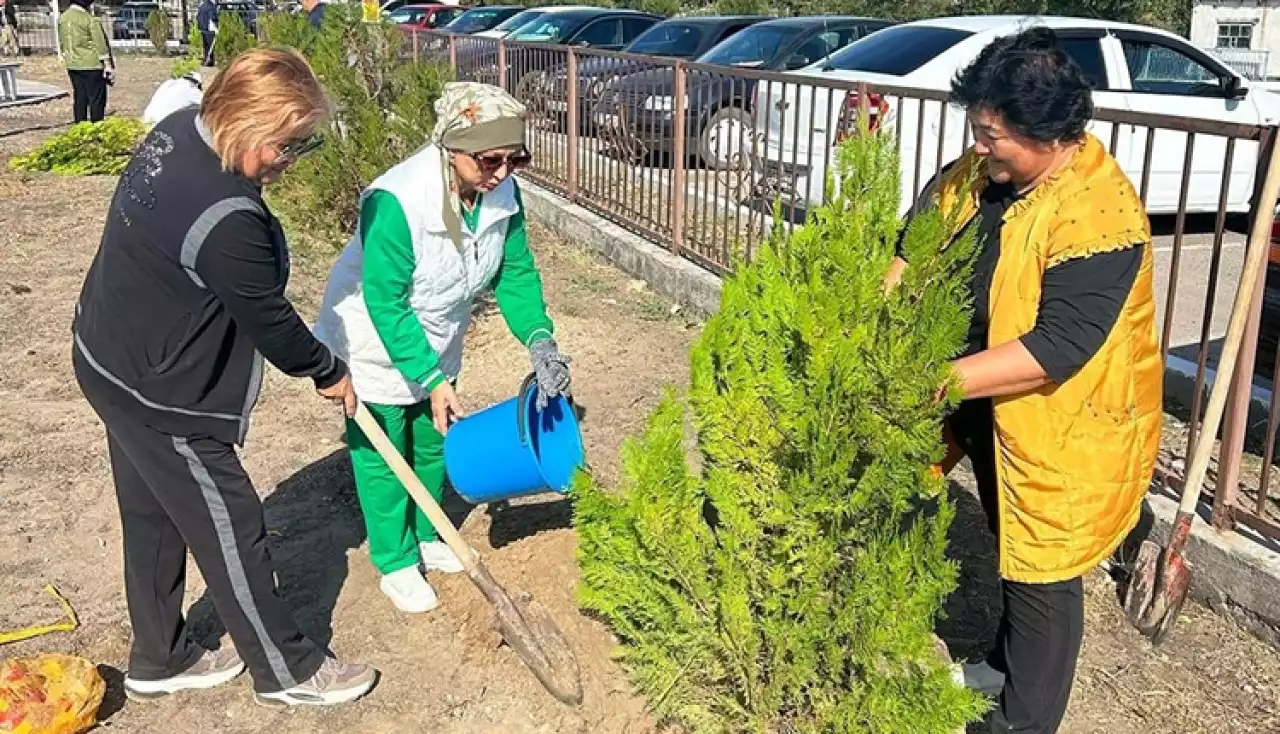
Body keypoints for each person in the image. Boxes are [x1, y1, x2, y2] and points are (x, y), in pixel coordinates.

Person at [73, 48, 377, 707]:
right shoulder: (228, 218)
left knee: (153, 512)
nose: (290, 160)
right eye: (285, 145)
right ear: (243, 121)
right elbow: (268, 319)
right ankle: (288, 671)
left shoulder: (178, 127)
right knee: (229, 519)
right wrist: (328, 370)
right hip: (162, 390)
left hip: (107, 356)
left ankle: (159, 659)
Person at [885, 27, 1161, 734]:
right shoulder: (977, 179)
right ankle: (996, 670)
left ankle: (1023, 717)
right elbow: (912, 248)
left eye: (992, 132)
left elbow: (1058, 345)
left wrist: (935, 380)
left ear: (1048, 134)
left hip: (1058, 417)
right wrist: (882, 312)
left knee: (1041, 567)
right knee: (1005, 535)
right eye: (975, 128)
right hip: (980, 401)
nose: (979, 145)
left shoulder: (1100, 209)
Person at [314, 81, 571, 614]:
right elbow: (385, 303)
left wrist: (539, 339)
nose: (501, 171)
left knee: (434, 441)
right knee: (384, 451)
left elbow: (516, 273)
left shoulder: (502, 193)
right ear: (450, 148)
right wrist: (430, 379)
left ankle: (431, 533)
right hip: (373, 339)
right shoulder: (397, 202)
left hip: (439, 331)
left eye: (514, 159)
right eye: (489, 159)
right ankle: (395, 559)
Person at [58, 0, 113, 123]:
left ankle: (80, 127)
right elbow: (100, 44)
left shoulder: (63, 18)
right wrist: (108, 64)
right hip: (92, 64)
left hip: (73, 64)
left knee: (80, 97)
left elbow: (62, 41)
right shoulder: (89, 19)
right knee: (96, 99)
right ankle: (96, 127)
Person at [196, 0, 217, 66]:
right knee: (210, 46)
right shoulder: (211, 6)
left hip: (203, 27)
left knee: (206, 46)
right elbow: (212, 17)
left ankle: (207, 60)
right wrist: (216, 25)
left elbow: (198, 17)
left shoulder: (202, 5)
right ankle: (209, 61)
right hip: (209, 28)